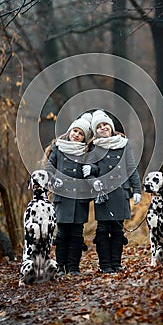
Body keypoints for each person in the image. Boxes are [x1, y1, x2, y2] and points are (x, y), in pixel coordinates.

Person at [83, 110, 142, 274]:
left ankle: (116, 264)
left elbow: (131, 168)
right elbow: (88, 172)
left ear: (111, 126)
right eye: (99, 127)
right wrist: (94, 183)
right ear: (96, 131)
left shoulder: (124, 144)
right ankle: (105, 265)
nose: (103, 128)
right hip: (103, 195)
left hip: (121, 193)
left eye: (105, 125)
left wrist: (137, 190)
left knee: (117, 230)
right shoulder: (93, 147)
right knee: (102, 230)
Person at [44, 113, 95, 276]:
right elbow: (49, 168)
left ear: (84, 137)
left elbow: (95, 167)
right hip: (62, 197)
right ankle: (60, 266)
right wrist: (53, 180)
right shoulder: (58, 148)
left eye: (80, 134)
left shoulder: (87, 152)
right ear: (69, 131)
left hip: (80, 198)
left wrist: (92, 172)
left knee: (76, 234)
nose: (76, 135)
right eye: (75, 131)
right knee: (62, 233)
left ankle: (73, 267)